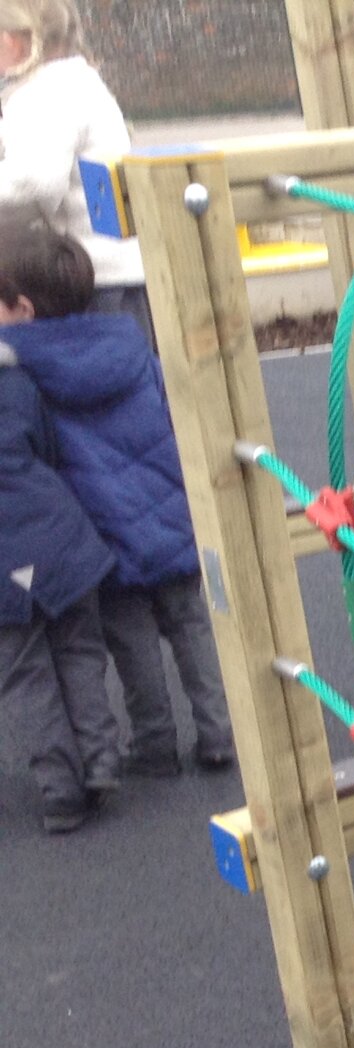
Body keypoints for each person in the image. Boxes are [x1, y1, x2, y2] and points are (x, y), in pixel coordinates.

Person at [0, 221, 232, 775]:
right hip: (171, 519)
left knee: (133, 647)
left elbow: (43, 452)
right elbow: (171, 412)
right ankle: (220, 731)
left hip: (105, 531)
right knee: (192, 628)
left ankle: (155, 746)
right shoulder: (129, 344)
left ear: (25, 309)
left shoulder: (29, 373)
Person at [0, 306, 120, 831]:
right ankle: (101, 759)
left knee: (26, 675)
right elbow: (46, 449)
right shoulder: (16, 381)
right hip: (59, 534)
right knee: (79, 648)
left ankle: (61, 791)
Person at [0, 0, 148, 336]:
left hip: (94, 284)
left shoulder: (47, 93)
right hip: (115, 278)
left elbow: (32, 184)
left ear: (12, 40)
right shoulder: (74, 82)